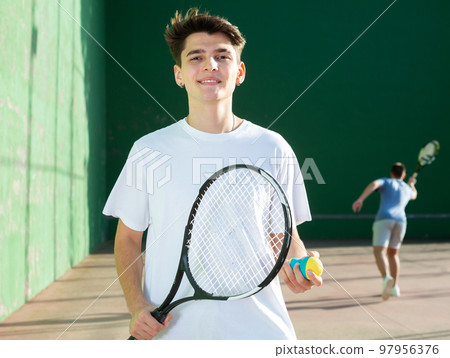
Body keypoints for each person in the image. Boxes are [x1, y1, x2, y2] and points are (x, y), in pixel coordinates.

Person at [103, 8, 322, 340]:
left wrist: (298, 263)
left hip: (262, 334)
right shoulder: (149, 150)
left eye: (223, 57)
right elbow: (128, 239)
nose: (210, 66)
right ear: (179, 74)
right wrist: (137, 305)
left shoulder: (273, 147)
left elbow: (285, 238)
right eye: (196, 58)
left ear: (239, 71)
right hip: (172, 337)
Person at [352, 162, 417, 301]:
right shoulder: (407, 188)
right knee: (393, 254)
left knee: (379, 251)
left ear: (391, 173)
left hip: (384, 219)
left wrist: (361, 199)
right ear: (403, 175)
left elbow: (374, 184)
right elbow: (414, 195)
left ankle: (387, 277)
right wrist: (411, 184)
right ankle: (395, 287)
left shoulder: (386, 181)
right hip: (401, 222)